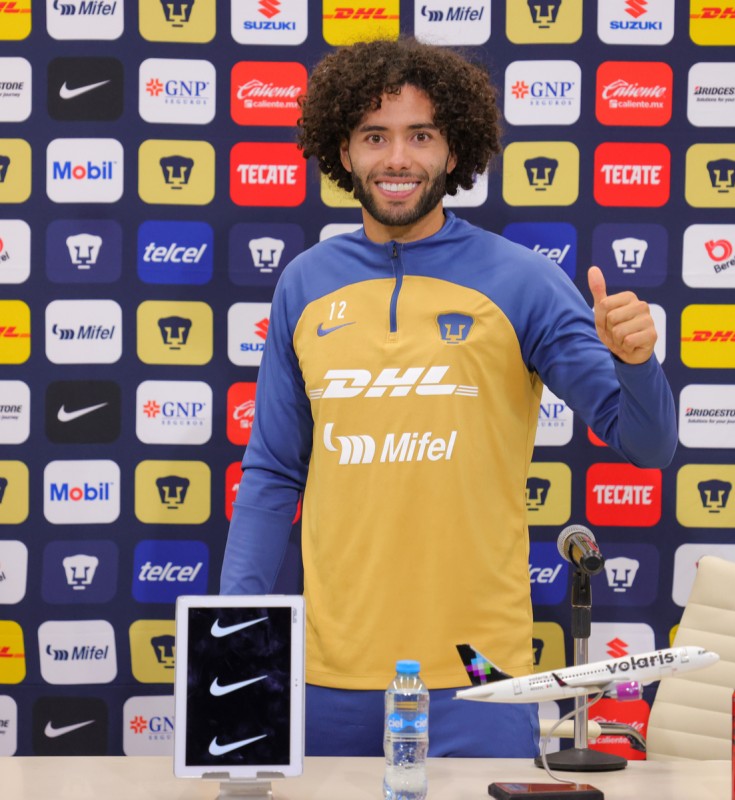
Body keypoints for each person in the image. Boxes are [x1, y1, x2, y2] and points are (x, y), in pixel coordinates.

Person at [220, 38, 677, 758]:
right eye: (375, 136)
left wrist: (639, 363)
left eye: (421, 135)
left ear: (454, 149)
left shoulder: (522, 280)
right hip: (329, 673)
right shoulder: (305, 283)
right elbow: (274, 474)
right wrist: (233, 635)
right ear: (343, 151)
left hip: (479, 677)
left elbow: (646, 444)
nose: (397, 158)